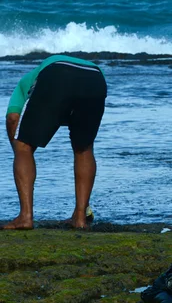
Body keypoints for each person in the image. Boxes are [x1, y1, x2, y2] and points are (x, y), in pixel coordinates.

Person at [2, 55, 107, 230]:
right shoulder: (43, 73)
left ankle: (25, 217)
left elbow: (13, 118)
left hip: (58, 73)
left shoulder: (23, 83)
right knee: (84, 147)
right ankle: (80, 218)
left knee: (23, 146)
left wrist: (17, 148)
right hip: (95, 78)